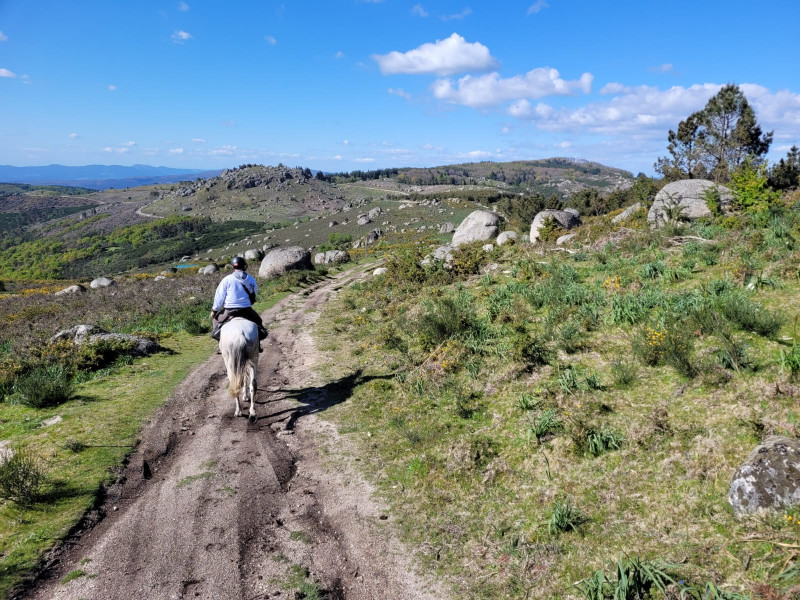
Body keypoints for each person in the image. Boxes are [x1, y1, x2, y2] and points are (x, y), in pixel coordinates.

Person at [210, 256, 268, 345]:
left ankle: (220, 343)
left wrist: (214, 310)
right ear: (244, 265)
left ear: (233, 266)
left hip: (229, 311)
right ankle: (258, 344)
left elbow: (219, 296)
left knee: (215, 321)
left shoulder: (227, 279)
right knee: (259, 322)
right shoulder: (250, 279)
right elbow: (255, 292)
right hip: (246, 309)